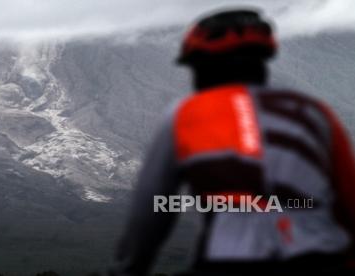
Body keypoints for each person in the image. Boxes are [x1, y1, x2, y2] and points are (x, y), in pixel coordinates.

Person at [109, 9, 355, 276]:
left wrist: (130, 268)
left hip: (232, 258)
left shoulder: (185, 115)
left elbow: (152, 208)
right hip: (325, 257)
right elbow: (349, 196)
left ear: (203, 66)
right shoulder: (314, 113)